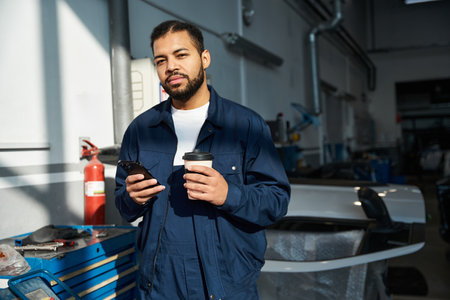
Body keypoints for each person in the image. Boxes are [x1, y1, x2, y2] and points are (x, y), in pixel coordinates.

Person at [115, 20, 290, 300]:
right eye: (162, 60)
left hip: (226, 286)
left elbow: (276, 201)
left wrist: (228, 194)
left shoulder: (246, 125)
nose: (171, 66)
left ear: (204, 58)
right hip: (160, 286)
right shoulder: (141, 130)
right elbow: (124, 207)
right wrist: (131, 198)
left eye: (181, 55)